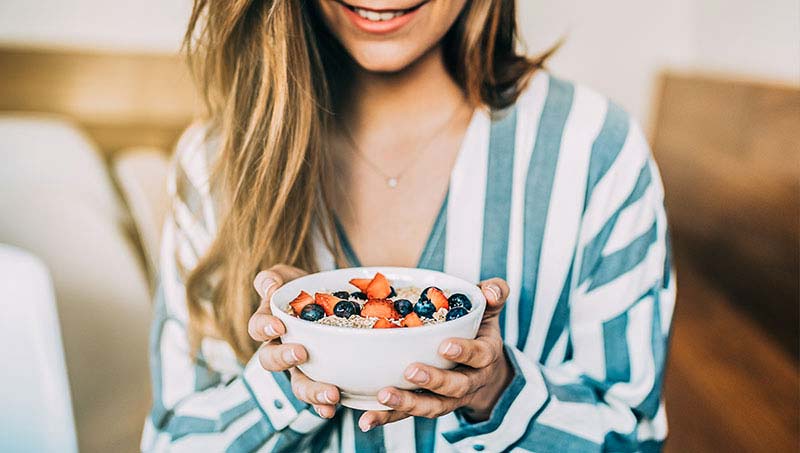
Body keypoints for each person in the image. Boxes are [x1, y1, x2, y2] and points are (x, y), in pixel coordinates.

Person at [142, 1, 675, 451]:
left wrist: (497, 392)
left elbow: (633, 437)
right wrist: (287, 374)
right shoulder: (216, 163)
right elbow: (174, 440)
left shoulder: (594, 150)